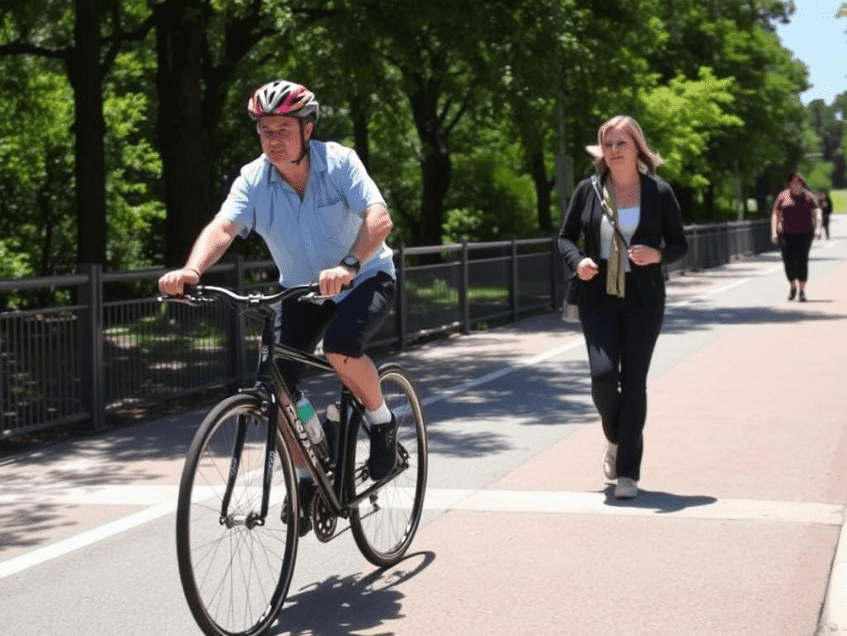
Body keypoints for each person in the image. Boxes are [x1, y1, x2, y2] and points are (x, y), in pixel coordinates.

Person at [158, 80, 398, 530]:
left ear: (307, 129)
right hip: (302, 290)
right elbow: (224, 227)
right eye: (265, 130)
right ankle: (307, 475)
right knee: (276, 387)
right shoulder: (253, 179)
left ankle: (382, 422)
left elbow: (378, 217)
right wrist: (191, 269)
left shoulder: (339, 162)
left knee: (340, 347)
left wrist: (349, 263)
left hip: (365, 278)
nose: (273, 139)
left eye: (283, 129)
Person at [558, 115, 688, 499]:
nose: (614, 151)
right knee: (602, 377)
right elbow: (565, 238)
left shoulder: (659, 192)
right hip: (597, 295)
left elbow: (679, 245)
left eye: (621, 144)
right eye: (608, 144)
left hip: (643, 299)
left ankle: (628, 473)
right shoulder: (588, 190)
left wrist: (657, 255)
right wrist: (577, 261)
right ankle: (615, 439)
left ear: (637, 149)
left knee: (633, 383)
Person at [770, 173, 822, 301]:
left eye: (798, 182)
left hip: (804, 234)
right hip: (786, 234)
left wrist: (818, 228)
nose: (795, 185)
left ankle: (802, 290)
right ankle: (793, 286)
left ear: (802, 184)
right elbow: (775, 214)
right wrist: (774, 232)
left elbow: (817, 211)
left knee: (802, 260)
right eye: (793, 182)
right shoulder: (783, 196)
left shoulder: (808, 196)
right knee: (788, 261)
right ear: (789, 184)